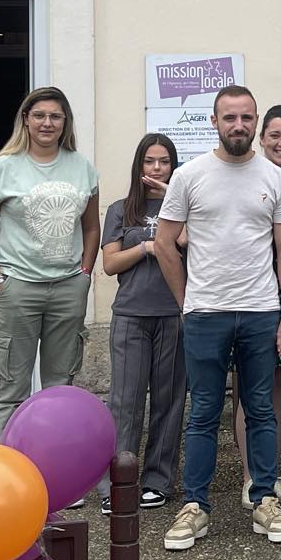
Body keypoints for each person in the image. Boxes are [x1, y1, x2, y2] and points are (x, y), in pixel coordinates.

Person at [155, 86, 281, 551]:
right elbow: (165, 243)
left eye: (245, 118)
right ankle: (195, 507)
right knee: (202, 412)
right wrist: (186, 302)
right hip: (206, 313)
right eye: (229, 118)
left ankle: (263, 500)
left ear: (255, 121)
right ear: (214, 121)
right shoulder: (189, 175)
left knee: (260, 409)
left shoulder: (275, 179)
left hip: (261, 312)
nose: (238, 126)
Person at [0, 86, 100, 443]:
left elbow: (91, 227)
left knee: (60, 390)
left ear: (65, 122)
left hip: (67, 287)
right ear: (25, 119)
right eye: (39, 115)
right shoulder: (2, 168)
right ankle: (9, 479)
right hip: (17, 288)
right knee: (12, 391)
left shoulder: (82, 167)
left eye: (56, 116)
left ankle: (57, 475)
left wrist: (85, 274)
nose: (47, 123)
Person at [229, 104, 281, 509]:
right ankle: (250, 477)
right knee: (254, 389)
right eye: (275, 135)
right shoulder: (248, 178)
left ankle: (270, 470)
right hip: (256, 294)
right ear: (262, 138)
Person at [98, 134, 183, 513]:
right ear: (139, 165)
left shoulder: (184, 207)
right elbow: (110, 264)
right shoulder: (120, 210)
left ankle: (157, 481)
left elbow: (192, 243)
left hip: (174, 314)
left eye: (164, 162)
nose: (156, 168)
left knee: (169, 401)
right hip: (131, 314)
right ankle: (117, 483)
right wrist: (147, 247)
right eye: (150, 161)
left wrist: (175, 196)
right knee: (125, 402)